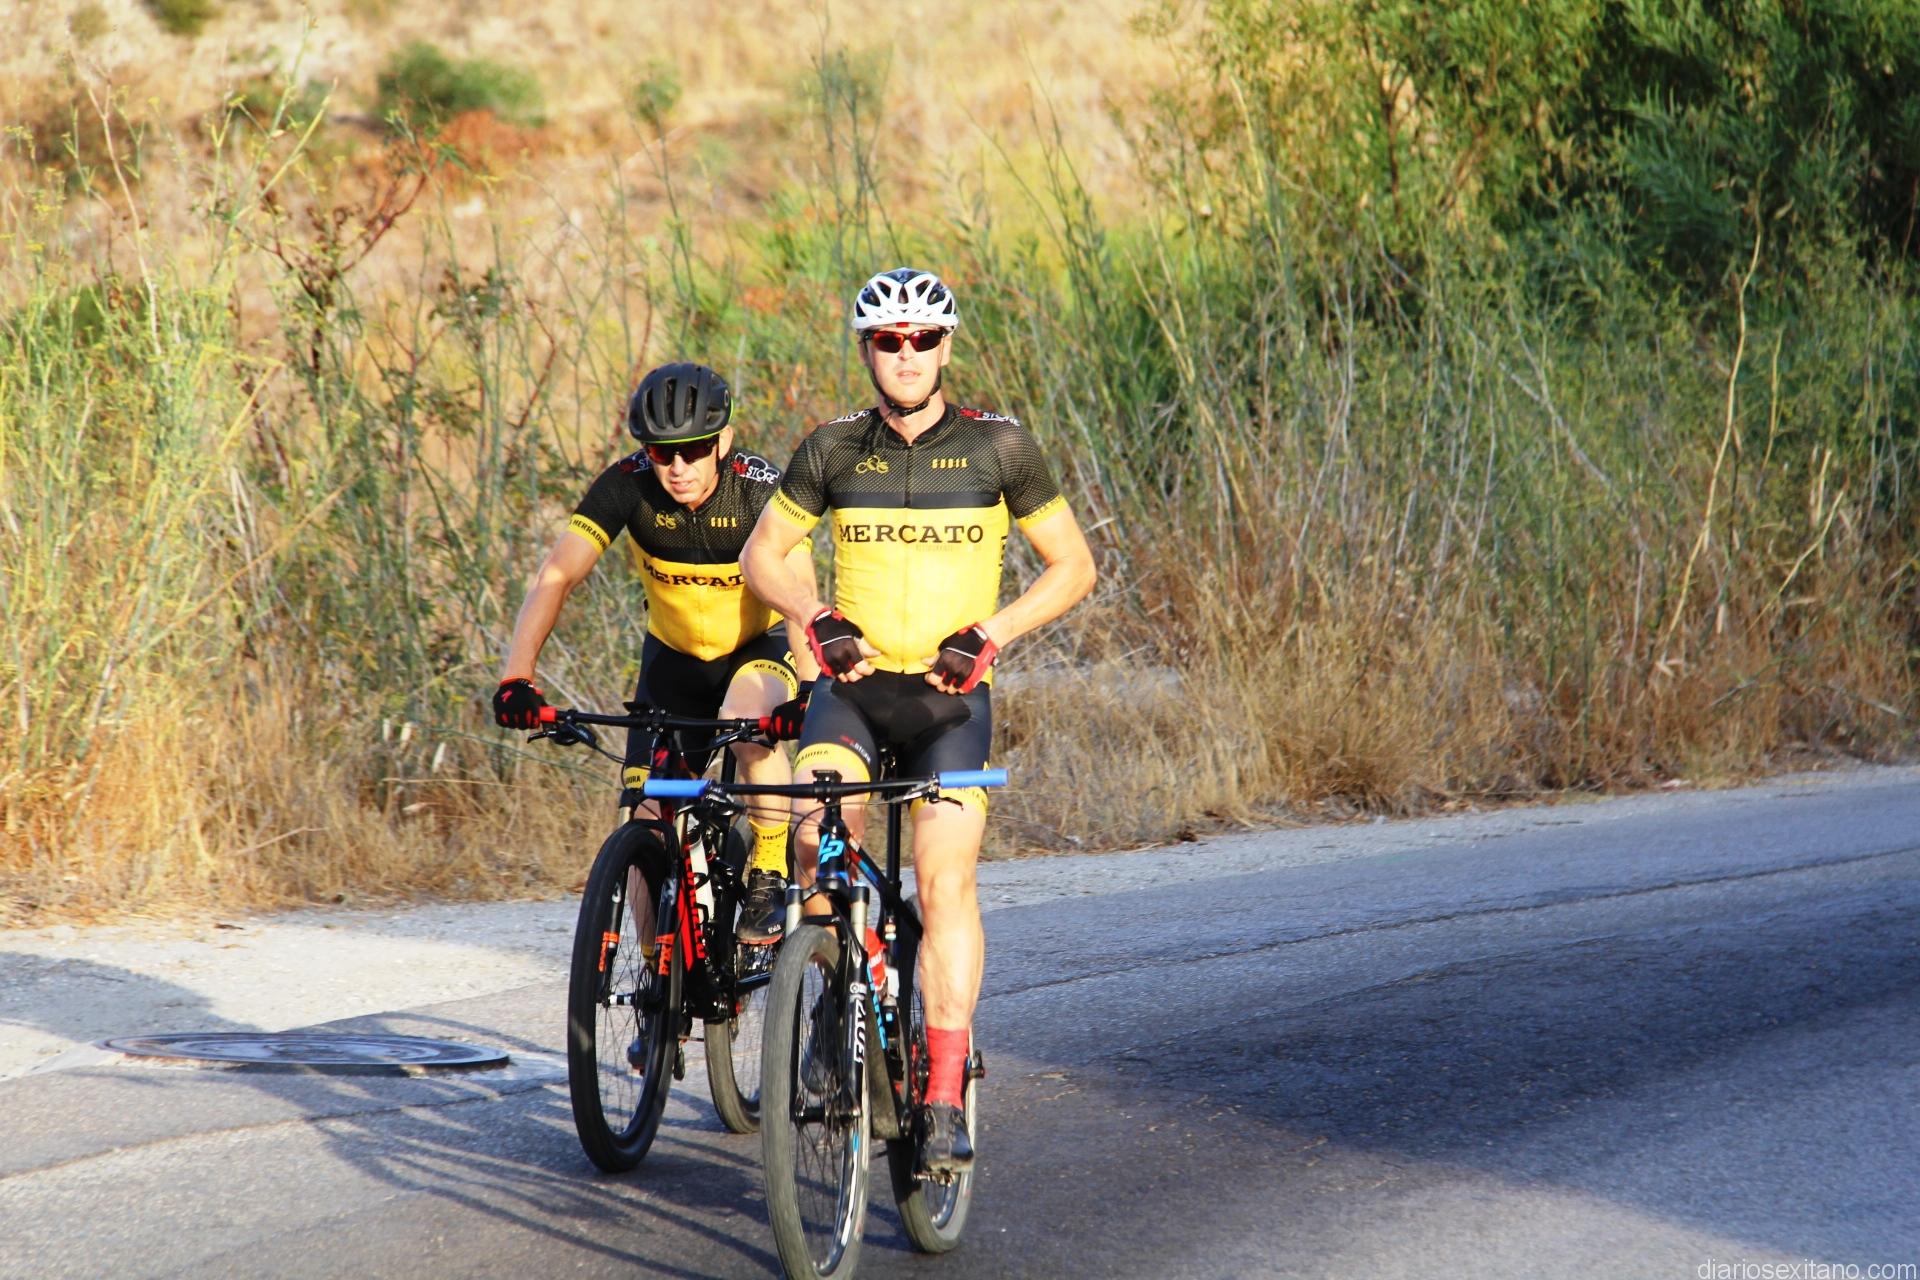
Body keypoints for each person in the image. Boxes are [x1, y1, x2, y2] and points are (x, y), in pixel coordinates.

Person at [739, 268, 1097, 1171]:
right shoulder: (830, 448)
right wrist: (812, 613)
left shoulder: (998, 448)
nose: (907, 355)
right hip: (853, 693)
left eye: (923, 339)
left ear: (946, 346)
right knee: (819, 848)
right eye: (889, 341)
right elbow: (762, 554)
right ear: (867, 349)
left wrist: (993, 632)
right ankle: (831, 1010)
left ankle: (940, 1093)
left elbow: (1073, 566)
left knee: (942, 885)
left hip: (949, 702)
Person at [493, 361, 818, 944]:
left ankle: (769, 867)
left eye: (693, 450)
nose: (677, 467)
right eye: (662, 452)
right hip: (672, 661)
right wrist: (517, 677)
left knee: (747, 726)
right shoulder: (628, 484)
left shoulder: (759, 489)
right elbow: (556, 575)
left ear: (722, 441)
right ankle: (654, 974)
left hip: (757, 649)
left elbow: (801, 598)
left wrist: (812, 691)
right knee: (643, 818)